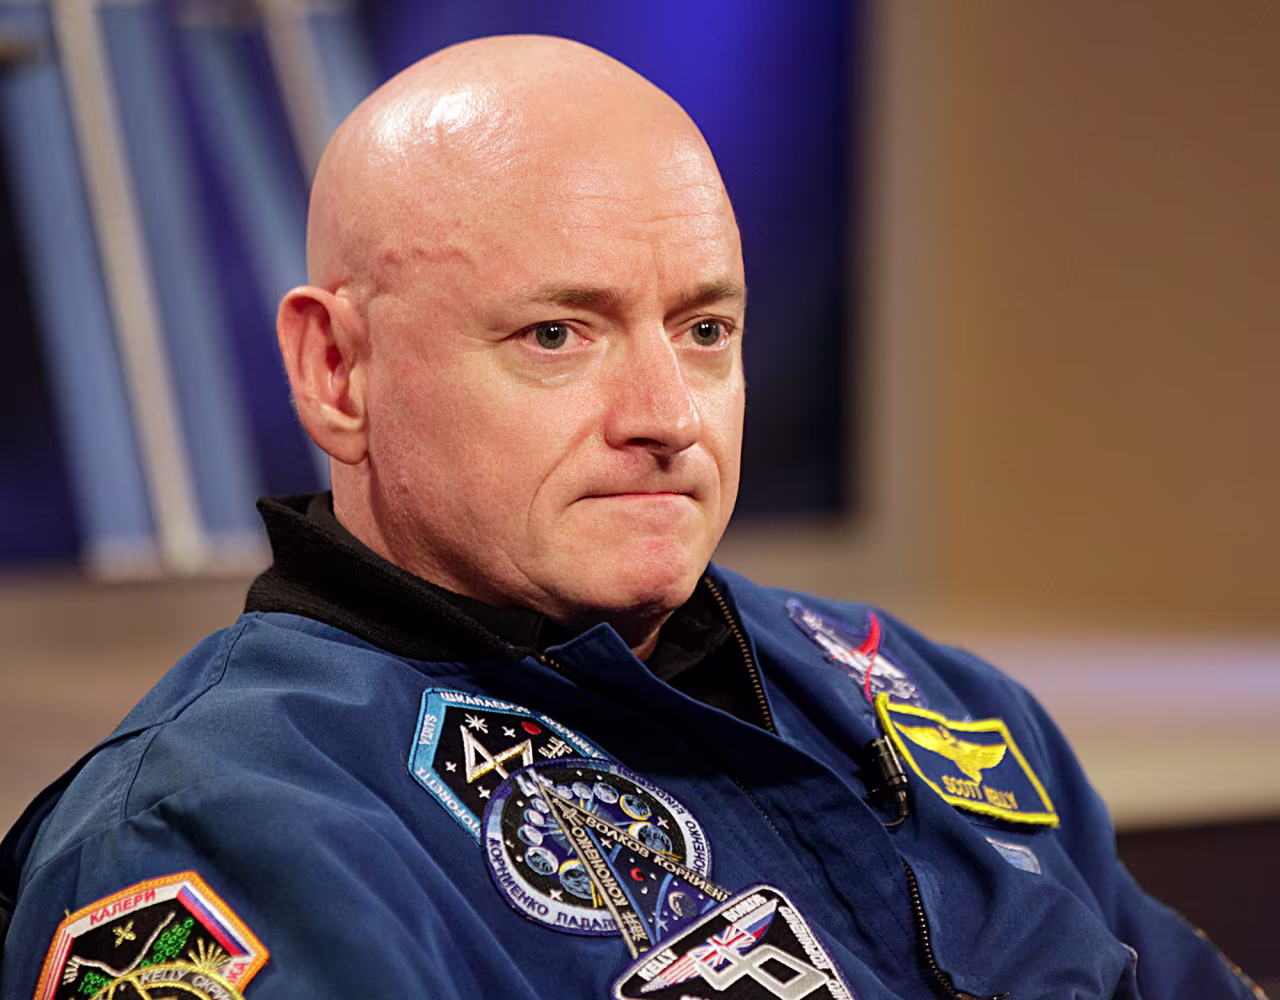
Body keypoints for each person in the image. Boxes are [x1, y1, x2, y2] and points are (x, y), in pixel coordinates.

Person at [0, 35, 1264, 1000]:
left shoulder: (921, 694)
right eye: (558, 335)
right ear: (338, 371)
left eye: (704, 330)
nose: (668, 415)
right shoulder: (214, 834)